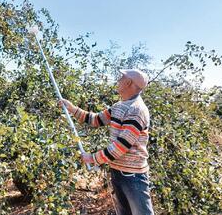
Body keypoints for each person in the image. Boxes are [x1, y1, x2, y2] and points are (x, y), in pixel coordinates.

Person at [59, 69, 154, 215]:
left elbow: (121, 146)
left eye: (122, 77)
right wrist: (72, 108)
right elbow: (95, 120)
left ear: (128, 82)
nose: (118, 80)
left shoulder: (136, 110)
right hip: (117, 171)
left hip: (133, 176)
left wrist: (93, 158)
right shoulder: (119, 106)